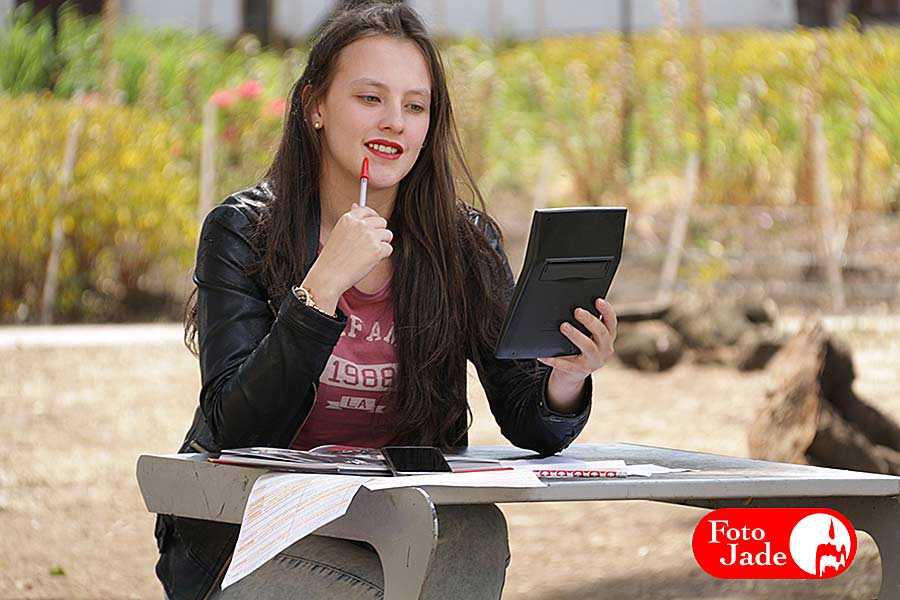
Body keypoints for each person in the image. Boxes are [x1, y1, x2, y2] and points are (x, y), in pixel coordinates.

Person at [154, 2, 617, 599]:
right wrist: (319, 291)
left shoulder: (464, 244)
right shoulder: (244, 231)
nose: (395, 121)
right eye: (370, 98)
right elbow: (234, 428)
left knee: (474, 531)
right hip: (253, 523)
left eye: (415, 105)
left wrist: (567, 377)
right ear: (314, 106)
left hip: (395, 512)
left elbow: (530, 418)